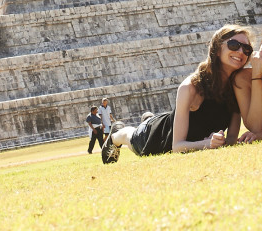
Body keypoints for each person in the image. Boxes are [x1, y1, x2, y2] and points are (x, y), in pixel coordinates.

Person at [100, 25, 252, 163]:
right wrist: (207, 144)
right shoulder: (191, 87)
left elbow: (231, 139)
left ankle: (148, 119)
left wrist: (221, 142)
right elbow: (177, 146)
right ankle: (117, 132)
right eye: (234, 45)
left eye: (247, 49)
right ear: (217, 50)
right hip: (158, 137)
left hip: (173, 123)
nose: (240, 52)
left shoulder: (237, 88)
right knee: (132, 137)